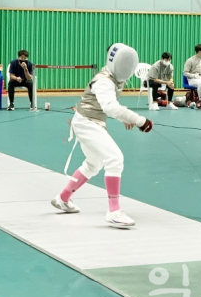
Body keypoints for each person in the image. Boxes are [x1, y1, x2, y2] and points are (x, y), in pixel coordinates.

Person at [51, 43, 153, 228]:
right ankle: (114, 211)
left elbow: (108, 105)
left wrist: (123, 118)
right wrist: (139, 120)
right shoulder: (104, 80)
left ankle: (62, 198)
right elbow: (110, 107)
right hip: (87, 123)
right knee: (115, 159)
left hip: (89, 121)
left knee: (93, 164)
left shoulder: (113, 76)